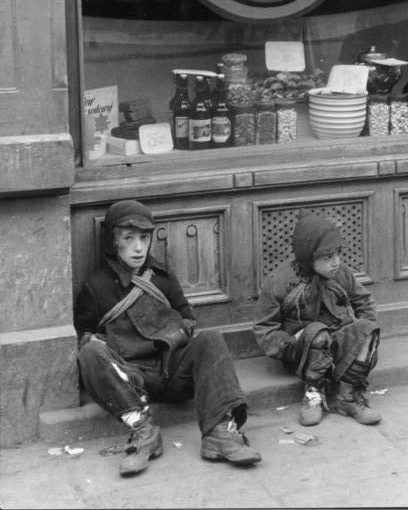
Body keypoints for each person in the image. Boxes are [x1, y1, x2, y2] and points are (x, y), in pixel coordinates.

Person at [75, 199, 261, 476]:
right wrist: (91, 342)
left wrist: (175, 330)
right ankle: (144, 432)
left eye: (144, 238)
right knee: (89, 354)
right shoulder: (96, 286)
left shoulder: (161, 278)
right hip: (131, 379)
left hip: (172, 370)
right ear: (113, 242)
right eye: (129, 238)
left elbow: (187, 317)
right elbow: (85, 333)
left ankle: (219, 433)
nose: (138, 247)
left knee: (212, 339)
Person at [253, 212, 382, 427]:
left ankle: (348, 397)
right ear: (308, 256)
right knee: (317, 332)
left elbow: (364, 302)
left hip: (336, 345)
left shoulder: (342, 274)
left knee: (367, 328)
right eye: (327, 257)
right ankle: (313, 394)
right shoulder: (281, 281)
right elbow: (264, 327)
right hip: (302, 350)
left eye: (338, 254)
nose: (336, 262)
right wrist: (288, 344)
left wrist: (360, 341)